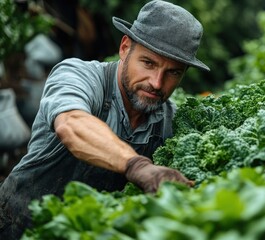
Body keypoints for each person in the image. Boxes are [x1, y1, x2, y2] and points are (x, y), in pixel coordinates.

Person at [0, 0, 210, 238]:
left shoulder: (168, 121)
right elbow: (71, 124)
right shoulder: (80, 76)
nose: (157, 82)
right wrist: (137, 166)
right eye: (148, 63)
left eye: (173, 72)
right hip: (16, 226)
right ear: (125, 48)